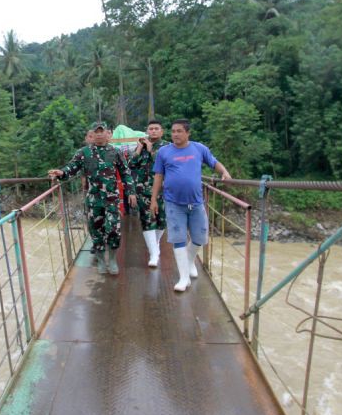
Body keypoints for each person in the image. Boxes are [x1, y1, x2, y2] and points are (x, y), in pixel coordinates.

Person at [151, 118, 232, 292]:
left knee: (199, 239)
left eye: (179, 131)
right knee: (178, 239)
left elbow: (213, 162)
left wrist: (224, 172)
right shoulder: (164, 152)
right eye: (173, 131)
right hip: (173, 202)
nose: (175, 134)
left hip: (196, 203)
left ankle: (189, 261)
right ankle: (183, 277)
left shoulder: (199, 148)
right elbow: (158, 176)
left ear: (188, 133)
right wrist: (153, 200)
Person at [48, 121, 137, 276]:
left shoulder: (115, 152)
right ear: (92, 134)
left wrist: (131, 191)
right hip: (93, 198)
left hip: (111, 198)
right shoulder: (83, 152)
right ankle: (101, 259)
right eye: (96, 131)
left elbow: (126, 173)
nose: (99, 134)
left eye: (102, 131)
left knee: (113, 228)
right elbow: (72, 167)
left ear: (108, 133)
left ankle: (113, 259)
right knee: (96, 230)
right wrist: (61, 173)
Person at [128, 119, 168, 267]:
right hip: (143, 190)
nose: (153, 131)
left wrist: (151, 150)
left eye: (156, 128)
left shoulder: (167, 147)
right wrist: (139, 149)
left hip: (162, 190)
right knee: (147, 220)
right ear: (147, 131)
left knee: (162, 221)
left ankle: (155, 243)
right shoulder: (142, 146)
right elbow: (131, 165)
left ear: (161, 131)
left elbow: (163, 164)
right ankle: (153, 254)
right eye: (150, 129)